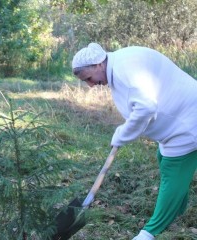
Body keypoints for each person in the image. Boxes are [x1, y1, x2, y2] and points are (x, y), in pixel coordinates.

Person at [72, 43, 197, 240]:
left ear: (98, 65)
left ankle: (149, 233)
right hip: (179, 119)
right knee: (163, 160)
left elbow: (146, 107)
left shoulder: (124, 72)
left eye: (89, 78)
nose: (90, 85)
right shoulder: (119, 63)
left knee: (172, 172)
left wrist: (124, 133)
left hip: (188, 124)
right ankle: (179, 209)